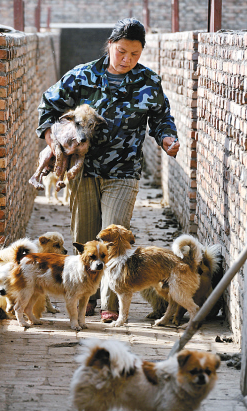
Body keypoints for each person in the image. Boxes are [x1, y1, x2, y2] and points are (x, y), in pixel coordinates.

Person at [35, 17, 180, 323]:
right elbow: (47, 106)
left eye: (135, 54)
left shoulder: (148, 82)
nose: (127, 59)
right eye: (122, 51)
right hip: (83, 170)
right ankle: (83, 298)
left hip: (124, 170)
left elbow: (161, 117)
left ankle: (109, 303)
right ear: (111, 45)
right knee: (87, 237)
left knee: (113, 238)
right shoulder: (83, 75)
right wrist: (54, 144)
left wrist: (167, 137)